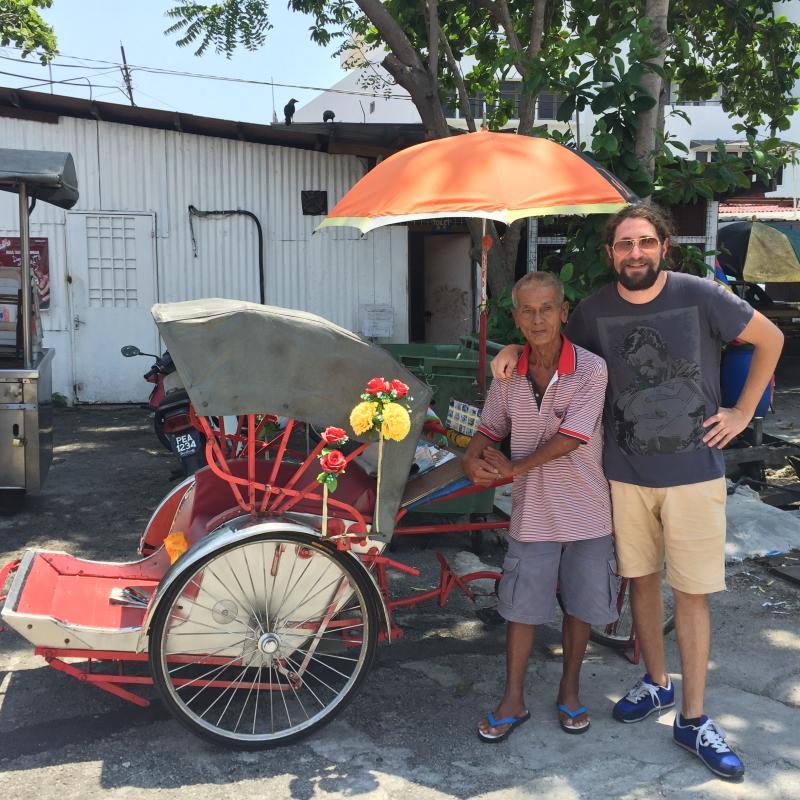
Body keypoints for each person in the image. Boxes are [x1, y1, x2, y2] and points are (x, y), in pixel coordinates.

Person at [491, 205, 784, 779]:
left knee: (693, 593)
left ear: (664, 246)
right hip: (622, 476)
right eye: (624, 244)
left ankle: (694, 719)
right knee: (642, 583)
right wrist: (508, 350)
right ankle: (655, 681)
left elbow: (769, 337)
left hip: (695, 474)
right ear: (610, 253)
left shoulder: (701, 295)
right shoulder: (595, 310)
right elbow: (543, 335)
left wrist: (743, 410)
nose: (635, 253)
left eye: (645, 243)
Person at [463, 270, 617, 742]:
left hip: (588, 507)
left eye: (546, 308)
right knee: (521, 609)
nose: (537, 319)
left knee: (581, 607)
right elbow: (490, 427)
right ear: (516, 317)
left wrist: (512, 468)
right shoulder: (508, 375)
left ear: (563, 311)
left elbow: (573, 438)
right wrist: (473, 458)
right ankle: (513, 698)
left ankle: (569, 689)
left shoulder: (590, 369)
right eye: (527, 310)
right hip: (532, 513)